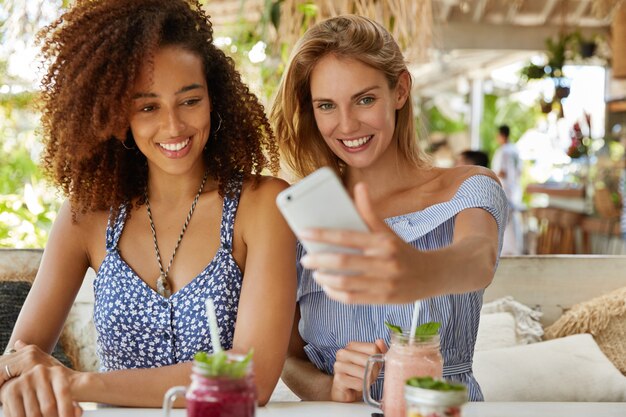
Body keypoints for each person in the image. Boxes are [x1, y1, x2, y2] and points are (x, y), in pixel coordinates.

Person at [0, 0, 296, 414]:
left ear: (215, 98)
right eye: (148, 107)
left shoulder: (262, 206)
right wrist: (21, 381)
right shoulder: (85, 216)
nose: (173, 126)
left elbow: (252, 376)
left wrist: (78, 383)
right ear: (118, 115)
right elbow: (17, 361)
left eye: (190, 101)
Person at [270, 15, 508, 403]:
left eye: (365, 99)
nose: (347, 125)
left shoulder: (468, 187)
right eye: (327, 105)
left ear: (399, 90)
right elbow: (285, 354)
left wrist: (418, 271)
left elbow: (478, 259)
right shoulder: (299, 220)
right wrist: (327, 387)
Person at [491, 125, 523, 255]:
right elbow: (519, 171)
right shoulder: (515, 150)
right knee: (512, 222)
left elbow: (502, 172)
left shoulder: (503, 151)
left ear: (501, 135)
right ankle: (516, 249)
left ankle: (507, 251)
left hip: (505, 190)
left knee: (505, 223)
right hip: (514, 189)